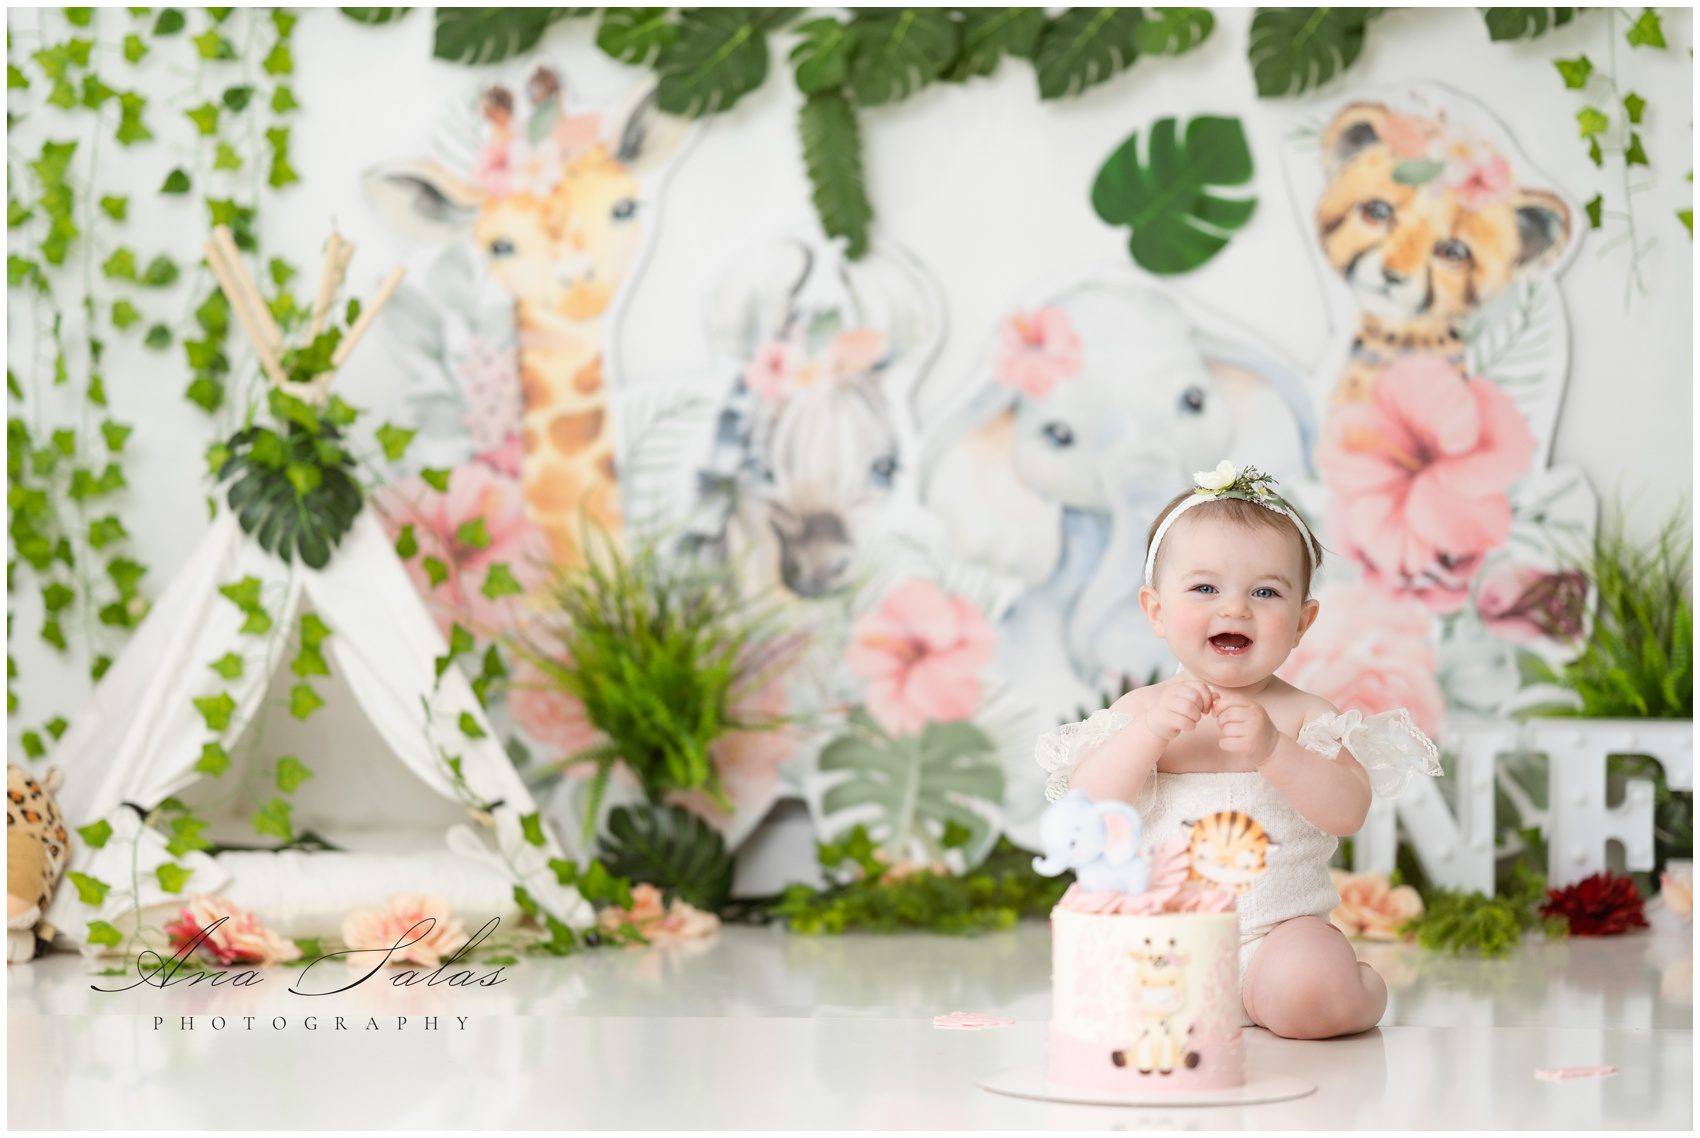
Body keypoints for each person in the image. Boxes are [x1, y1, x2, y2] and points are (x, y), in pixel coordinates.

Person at [1036, 460, 1441, 1040]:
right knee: (1109, 1004)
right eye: (1205, 588)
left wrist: (1275, 750)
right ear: (1155, 610)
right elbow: (1085, 809)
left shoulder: (1307, 716)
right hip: (1166, 938)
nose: (1235, 609)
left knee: (1313, 996)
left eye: (1265, 592)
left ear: (1302, 622)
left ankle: (1360, 986)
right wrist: (1149, 735)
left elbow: (1348, 811)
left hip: (1280, 936)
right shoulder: (1137, 713)